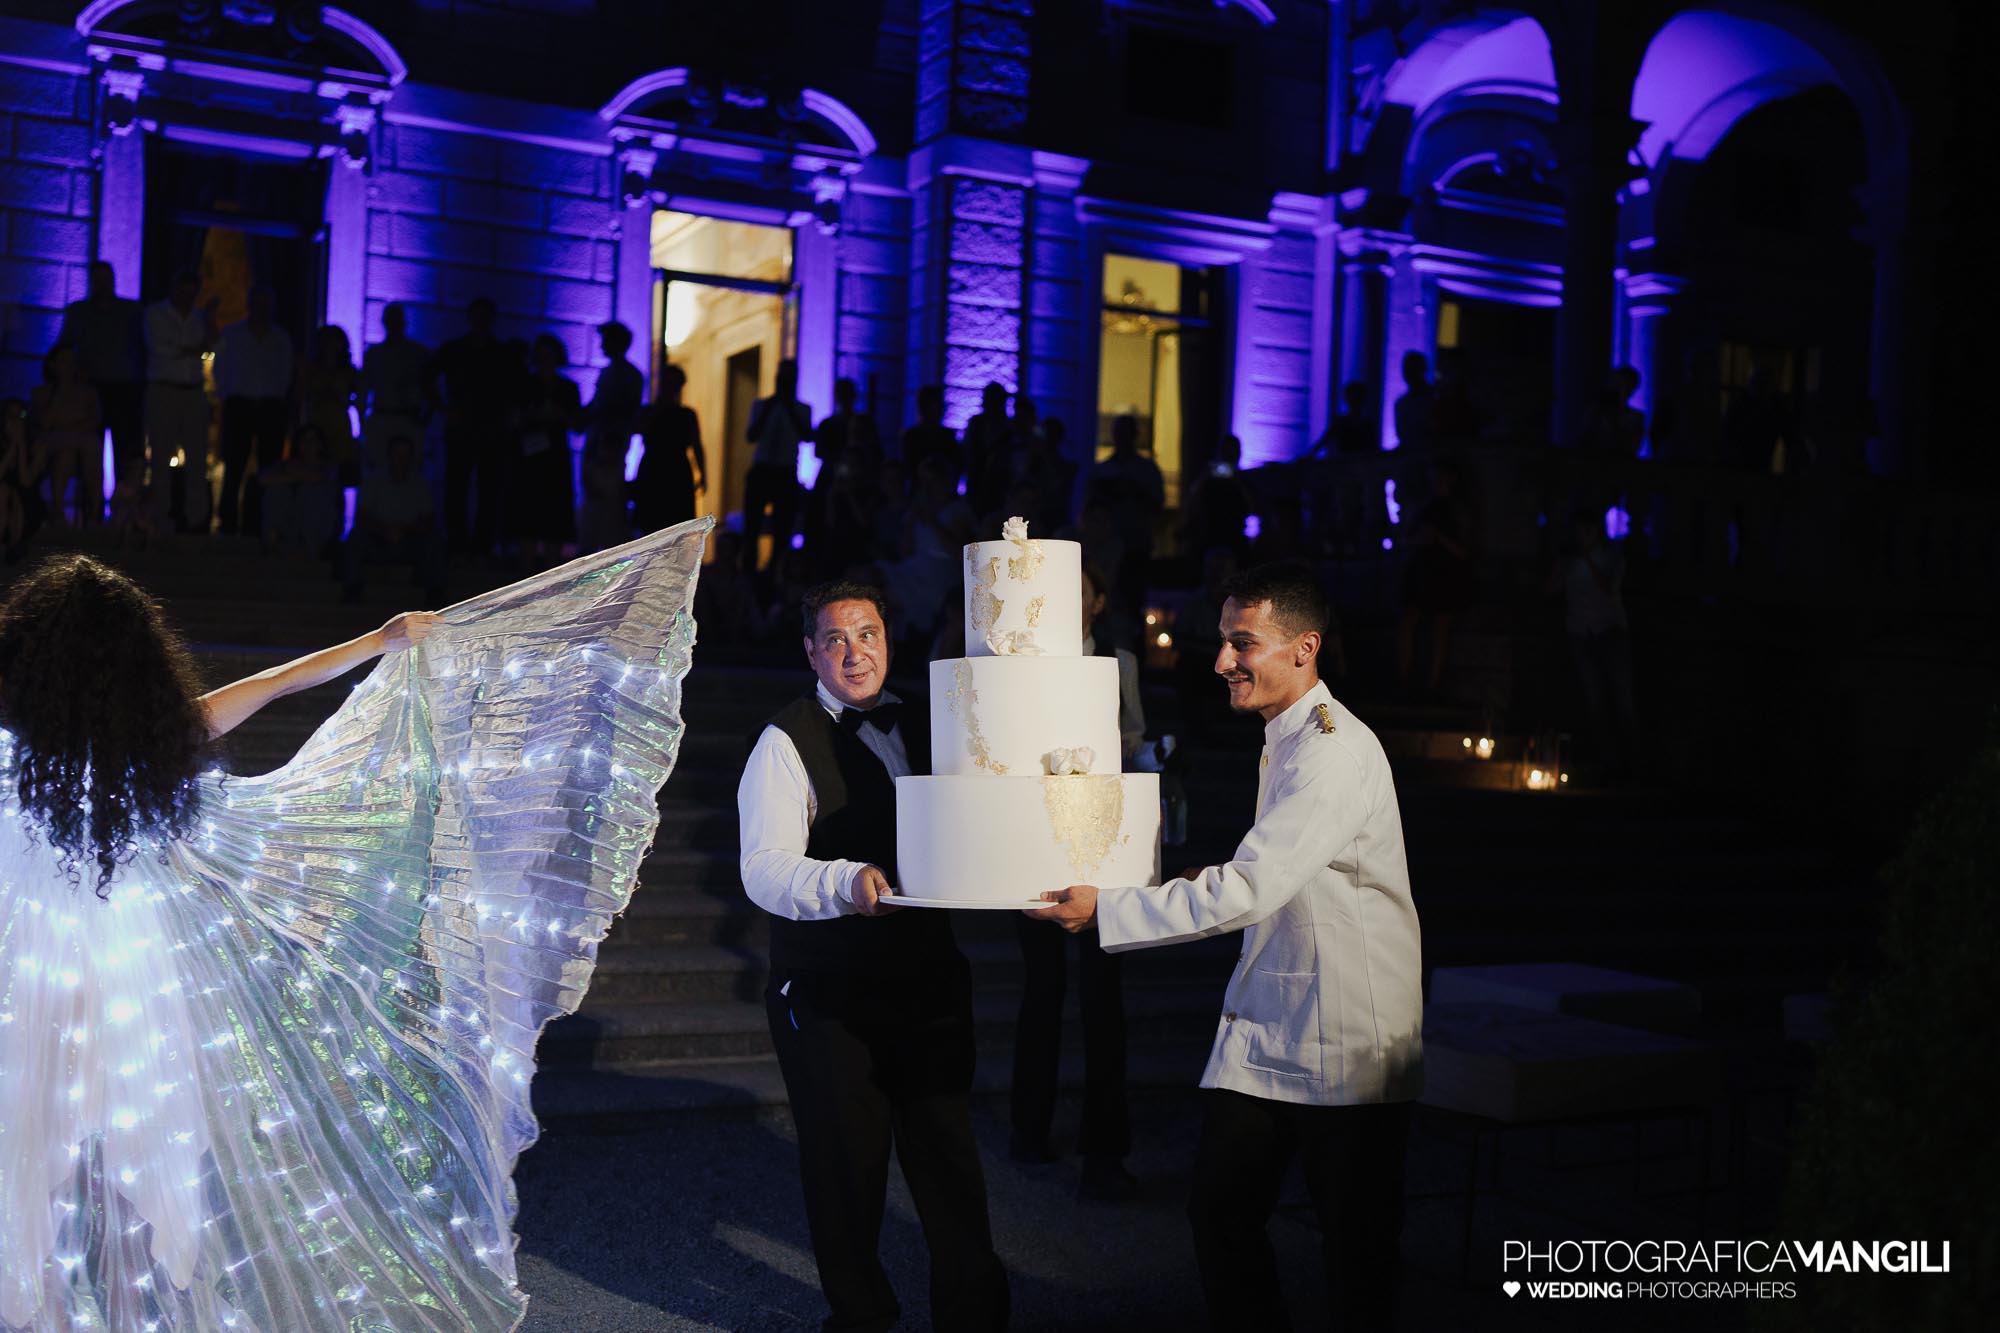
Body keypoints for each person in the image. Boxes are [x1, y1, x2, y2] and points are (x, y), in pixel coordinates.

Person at [0, 521, 711, 1331]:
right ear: (134, 661)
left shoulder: (17, 757)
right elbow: (273, 681)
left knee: (41, 1160)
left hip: (43, 977)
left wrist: (379, 638)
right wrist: (378, 639)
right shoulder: (156, 744)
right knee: (128, 1162)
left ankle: (57, 1307)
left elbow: (268, 681)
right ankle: (125, 1302)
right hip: (131, 972)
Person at [1031, 560, 1423, 1331]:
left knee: (1356, 1256)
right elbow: (1283, 869)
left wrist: (1111, 908)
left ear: (1305, 647)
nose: (1220, 661)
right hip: (1283, 1020)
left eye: (1242, 643)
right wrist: (1213, 873)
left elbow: (1251, 888)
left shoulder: (1332, 750)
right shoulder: (1289, 735)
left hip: (1347, 1038)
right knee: (1219, 1210)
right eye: (1222, 640)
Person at [738, 581, 1009, 1332]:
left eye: (868, 633)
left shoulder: (930, 719)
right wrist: (842, 880)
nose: (855, 651)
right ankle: (860, 1317)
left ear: (889, 639)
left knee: (948, 1154)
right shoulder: (783, 742)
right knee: (846, 1168)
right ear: (810, 651)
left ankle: (974, 1315)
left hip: (925, 976)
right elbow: (761, 866)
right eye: (835, 638)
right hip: (828, 987)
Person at [1009, 558, 1142, 1198]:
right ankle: (1028, 1129)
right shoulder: (1026, 659)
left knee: (1102, 1002)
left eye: (1078, 593)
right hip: (1038, 834)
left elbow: (1136, 733)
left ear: (1095, 600)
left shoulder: (1119, 659)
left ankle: (1103, 1150)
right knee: (1040, 992)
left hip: (1101, 833)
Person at [1550, 510, 1639, 778]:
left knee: (1623, 700)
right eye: (1579, 532)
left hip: (1610, 633)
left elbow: (1608, 588)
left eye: (1587, 531)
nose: (1582, 537)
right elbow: (1549, 589)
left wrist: (1588, 560)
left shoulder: (1611, 557)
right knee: (1594, 699)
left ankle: (1633, 761)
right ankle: (1605, 761)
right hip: (1581, 634)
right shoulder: (1569, 561)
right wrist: (1559, 567)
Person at [428, 297, 517, 555]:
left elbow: (514, 389)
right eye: (476, 315)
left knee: (488, 489)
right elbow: (428, 378)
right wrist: (444, 409)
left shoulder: (501, 353)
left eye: (484, 316)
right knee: (456, 486)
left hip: (490, 430)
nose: (480, 321)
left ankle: (482, 546)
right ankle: (457, 544)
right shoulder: (455, 349)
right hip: (463, 428)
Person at [55, 261, 145, 493]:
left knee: (124, 449)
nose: (102, 285)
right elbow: (64, 346)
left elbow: (145, 347)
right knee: (89, 450)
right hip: (90, 389)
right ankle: (90, 507)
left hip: (124, 389)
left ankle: (122, 508)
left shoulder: (131, 312)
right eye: (98, 280)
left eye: (106, 279)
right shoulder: (79, 312)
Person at [212, 285, 294, 536]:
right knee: (234, 464)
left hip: (270, 406)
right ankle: (228, 522)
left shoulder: (280, 338)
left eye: (265, 303)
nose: (261, 308)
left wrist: (278, 399)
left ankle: (259, 523)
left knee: (269, 465)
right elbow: (220, 369)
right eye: (257, 302)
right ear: (250, 304)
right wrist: (228, 395)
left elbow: (286, 372)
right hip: (240, 404)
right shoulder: (232, 335)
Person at [143, 269, 216, 532]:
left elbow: (211, 346)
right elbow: (159, 348)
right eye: (183, 291)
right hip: (164, 390)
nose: (187, 297)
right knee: (161, 455)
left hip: (193, 391)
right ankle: (160, 518)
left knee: (197, 457)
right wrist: (189, 350)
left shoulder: (200, 318)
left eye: (191, 293)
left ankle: (196, 520)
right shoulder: (155, 314)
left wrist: (208, 326)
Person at [1397, 461, 1474, 699]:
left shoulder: (1457, 510)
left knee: (1441, 627)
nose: (1438, 482)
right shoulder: (1424, 507)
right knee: (1409, 622)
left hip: (1445, 575)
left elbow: (1465, 550)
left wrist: (1439, 538)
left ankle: (1434, 684)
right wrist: (1421, 540)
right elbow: (1406, 538)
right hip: (1421, 572)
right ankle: (1403, 679)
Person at [341, 433, 447, 604]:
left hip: (410, 540)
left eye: (405, 455)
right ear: (389, 455)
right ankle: (352, 589)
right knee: (355, 539)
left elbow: (429, 519)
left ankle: (434, 593)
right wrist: (385, 530)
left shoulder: (419, 483)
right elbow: (361, 517)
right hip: (377, 539)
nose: (401, 459)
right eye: (397, 453)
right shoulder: (374, 480)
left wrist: (404, 530)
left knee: (435, 541)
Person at [513, 333, 582, 565]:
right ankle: (525, 572)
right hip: (530, 459)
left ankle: (551, 572)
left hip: (555, 459)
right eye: (540, 355)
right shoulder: (525, 385)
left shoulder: (567, 388)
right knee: (528, 516)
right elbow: (515, 419)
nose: (544, 359)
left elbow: (578, 424)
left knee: (555, 518)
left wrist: (560, 415)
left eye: (548, 354)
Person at [742, 358, 812, 573]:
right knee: (752, 527)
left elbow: (807, 436)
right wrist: (772, 406)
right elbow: (752, 435)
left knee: (783, 529)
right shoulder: (762, 405)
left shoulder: (801, 409)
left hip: (785, 471)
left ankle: (777, 571)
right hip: (763, 469)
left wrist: (788, 408)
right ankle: (749, 571)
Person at [581, 321, 645, 551]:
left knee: (606, 503)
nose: (602, 344)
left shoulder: (626, 375)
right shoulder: (617, 373)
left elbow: (620, 410)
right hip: (602, 445)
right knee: (597, 500)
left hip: (609, 448)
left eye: (607, 339)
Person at [31, 345, 103, 527]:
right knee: (65, 455)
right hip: (53, 442)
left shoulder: (88, 393)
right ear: (53, 365)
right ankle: (58, 511)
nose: (69, 366)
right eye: (64, 361)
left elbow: (94, 421)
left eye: (72, 362)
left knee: (90, 449)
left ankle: (95, 511)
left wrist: (68, 426)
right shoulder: (42, 393)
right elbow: (45, 423)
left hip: (82, 440)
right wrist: (60, 392)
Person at [633, 363, 705, 534]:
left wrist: (702, 473)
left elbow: (696, 445)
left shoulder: (687, 415)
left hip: (675, 472)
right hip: (655, 471)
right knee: (651, 525)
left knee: (675, 526)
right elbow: (638, 429)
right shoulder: (650, 412)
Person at [360, 301, 430, 471]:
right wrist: (363, 422)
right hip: (381, 417)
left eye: (397, 320)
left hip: (408, 418)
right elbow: (363, 389)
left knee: (409, 470)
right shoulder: (374, 354)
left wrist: (425, 418)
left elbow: (430, 388)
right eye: (391, 320)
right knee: (378, 467)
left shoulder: (419, 353)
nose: (394, 325)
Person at [257, 421, 342, 558]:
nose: (308, 444)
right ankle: (273, 542)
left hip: (316, 524)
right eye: (304, 440)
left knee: (312, 492)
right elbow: (263, 479)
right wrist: (293, 476)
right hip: (290, 522)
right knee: (277, 492)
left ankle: (309, 548)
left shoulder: (329, 468)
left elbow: (317, 478)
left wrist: (292, 475)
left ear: (321, 444)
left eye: (313, 439)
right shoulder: (286, 465)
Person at [298, 324, 361, 489]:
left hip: (339, 426)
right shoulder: (311, 368)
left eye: (335, 341)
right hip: (316, 424)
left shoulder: (349, 371)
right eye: (327, 340)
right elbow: (301, 396)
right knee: (314, 465)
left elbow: (359, 399)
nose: (331, 345)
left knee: (338, 470)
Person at [899, 384, 960, 488]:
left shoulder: (947, 435)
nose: (941, 409)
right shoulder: (912, 436)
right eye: (936, 405)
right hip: (921, 492)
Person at [1391, 350, 1434, 453]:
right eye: (1407, 370)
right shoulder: (1401, 404)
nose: (1409, 374)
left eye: (1413, 370)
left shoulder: (1437, 398)